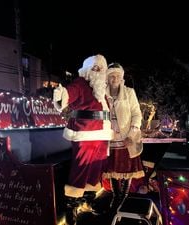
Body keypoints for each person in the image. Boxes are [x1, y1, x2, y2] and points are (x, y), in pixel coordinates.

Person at [53, 54, 113, 224]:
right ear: (87, 70)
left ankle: (87, 200)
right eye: (94, 67)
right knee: (81, 168)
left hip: (102, 134)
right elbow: (69, 93)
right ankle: (72, 205)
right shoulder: (80, 84)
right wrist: (61, 94)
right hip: (85, 134)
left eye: (100, 68)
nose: (98, 70)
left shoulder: (102, 89)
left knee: (96, 168)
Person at [102, 62, 145, 211]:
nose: (114, 79)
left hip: (126, 138)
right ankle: (116, 195)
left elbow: (136, 114)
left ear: (122, 78)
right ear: (107, 78)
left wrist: (132, 134)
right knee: (112, 169)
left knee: (128, 169)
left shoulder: (129, 92)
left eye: (117, 76)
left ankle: (124, 196)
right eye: (112, 76)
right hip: (109, 138)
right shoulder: (101, 94)